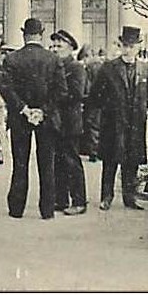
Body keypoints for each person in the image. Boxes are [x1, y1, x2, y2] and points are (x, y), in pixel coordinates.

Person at [0, 18, 68, 220]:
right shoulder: (54, 59)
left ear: (24, 34)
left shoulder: (11, 59)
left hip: (20, 119)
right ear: (42, 33)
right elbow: (61, 91)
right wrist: (43, 111)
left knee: (20, 163)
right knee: (47, 164)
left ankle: (16, 208)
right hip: (46, 119)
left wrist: (24, 109)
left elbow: (6, 88)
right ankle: (46, 210)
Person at [89, 26, 148, 211]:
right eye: (125, 45)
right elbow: (96, 94)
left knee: (132, 161)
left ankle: (129, 198)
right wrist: (107, 109)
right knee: (110, 159)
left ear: (138, 47)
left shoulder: (144, 69)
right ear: (121, 46)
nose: (128, 49)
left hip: (136, 122)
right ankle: (106, 197)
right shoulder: (109, 67)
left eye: (132, 46)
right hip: (113, 121)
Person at [50, 30, 87, 216]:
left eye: (59, 46)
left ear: (71, 48)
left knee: (72, 161)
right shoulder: (55, 66)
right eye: (54, 46)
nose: (55, 49)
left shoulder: (76, 67)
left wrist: (54, 97)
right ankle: (60, 199)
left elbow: (77, 93)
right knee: (58, 161)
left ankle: (79, 201)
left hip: (70, 120)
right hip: (56, 121)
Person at [78, 44, 103, 162]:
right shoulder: (100, 65)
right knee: (97, 124)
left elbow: (87, 85)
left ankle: (93, 152)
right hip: (99, 100)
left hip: (91, 100)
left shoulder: (90, 67)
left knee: (92, 125)